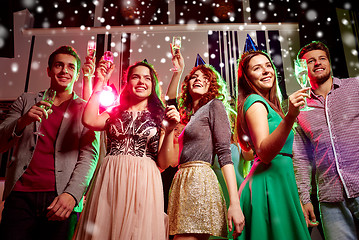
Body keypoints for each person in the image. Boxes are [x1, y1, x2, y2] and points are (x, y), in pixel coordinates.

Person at [0, 45, 100, 240]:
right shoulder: (26, 100)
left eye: (71, 67)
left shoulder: (86, 109)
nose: (64, 71)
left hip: (60, 199)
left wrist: (72, 195)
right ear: (49, 70)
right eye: (59, 65)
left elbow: (89, 156)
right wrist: (23, 121)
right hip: (20, 196)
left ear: (77, 74)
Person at [74, 59, 179, 239]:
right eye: (135, 77)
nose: (141, 82)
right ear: (128, 83)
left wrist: (169, 131)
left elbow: (164, 162)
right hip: (111, 176)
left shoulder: (161, 115)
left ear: (153, 85)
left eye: (147, 78)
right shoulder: (114, 111)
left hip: (145, 180)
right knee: (106, 229)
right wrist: (100, 82)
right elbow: (89, 120)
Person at [236, 50, 311, 239]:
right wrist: (290, 117)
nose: (266, 71)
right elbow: (264, 152)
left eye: (268, 66)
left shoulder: (269, 105)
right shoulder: (255, 102)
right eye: (257, 68)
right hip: (268, 186)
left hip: (280, 183)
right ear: (247, 78)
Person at [167, 58, 245, 240]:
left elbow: (225, 154)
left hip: (199, 180)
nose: (198, 79)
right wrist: (178, 72)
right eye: (194, 76)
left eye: (205, 77)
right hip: (182, 181)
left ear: (212, 85)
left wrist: (234, 202)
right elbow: (170, 103)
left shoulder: (214, 106)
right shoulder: (189, 118)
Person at [293, 41, 359, 240]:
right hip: (330, 199)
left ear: (329, 63)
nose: (318, 63)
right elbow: (301, 158)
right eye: (311, 61)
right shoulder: (300, 108)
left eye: (322, 58)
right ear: (303, 69)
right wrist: (304, 198)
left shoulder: (355, 87)